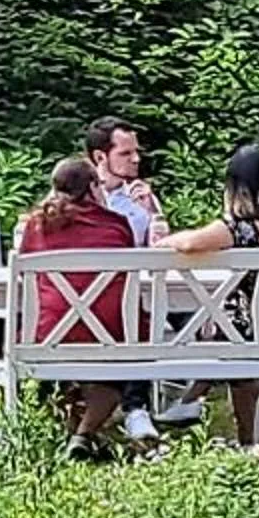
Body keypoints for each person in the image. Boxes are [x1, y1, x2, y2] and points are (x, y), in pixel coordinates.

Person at [160, 143, 259, 445]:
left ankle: (194, 399)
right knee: (236, 327)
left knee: (229, 326)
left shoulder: (239, 228)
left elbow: (190, 244)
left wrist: (163, 241)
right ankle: (202, 407)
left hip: (247, 334)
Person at [16, 156, 135, 456]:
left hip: (47, 335)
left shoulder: (37, 224)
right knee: (128, 349)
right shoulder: (117, 226)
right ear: (95, 188)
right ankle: (83, 433)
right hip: (109, 336)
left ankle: (78, 434)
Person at [83, 116, 188, 440]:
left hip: (137, 291)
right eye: (126, 154)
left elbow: (160, 253)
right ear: (101, 158)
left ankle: (190, 388)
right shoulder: (80, 196)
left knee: (187, 310)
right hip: (90, 296)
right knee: (138, 318)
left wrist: (153, 213)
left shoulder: (141, 197)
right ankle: (137, 407)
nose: (136, 159)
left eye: (136, 152)